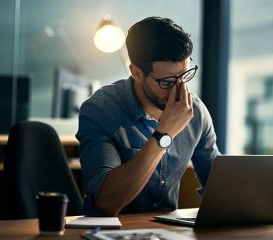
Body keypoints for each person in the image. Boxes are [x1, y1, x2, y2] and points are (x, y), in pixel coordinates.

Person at [76, 16, 220, 217]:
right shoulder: (100, 110)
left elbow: (219, 187)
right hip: (110, 233)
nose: (179, 90)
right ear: (136, 73)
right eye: (168, 81)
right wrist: (165, 134)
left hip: (168, 232)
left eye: (184, 76)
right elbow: (105, 203)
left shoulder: (195, 111)